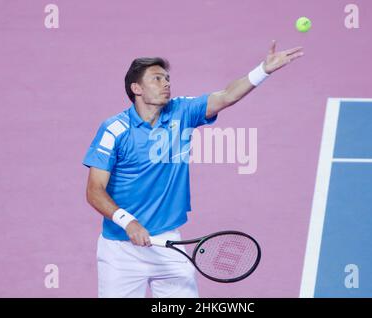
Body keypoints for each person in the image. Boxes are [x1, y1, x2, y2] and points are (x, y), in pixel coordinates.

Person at [82, 41, 304, 298]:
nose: (166, 83)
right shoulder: (114, 131)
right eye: (156, 79)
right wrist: (128, 222)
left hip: (167, 244)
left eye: (167, 78)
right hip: (120, 251)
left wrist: (263, 70)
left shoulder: (181, 112)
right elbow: (94, 191)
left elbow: (226, 96)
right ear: (136, 88)